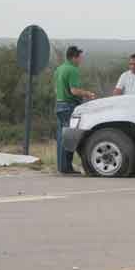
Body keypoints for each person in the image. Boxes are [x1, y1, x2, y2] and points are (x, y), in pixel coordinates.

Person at [54, 46, 96, 174]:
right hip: (69, 106)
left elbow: (56, 89)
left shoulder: (59, 69)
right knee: (70, 137)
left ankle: (62, 167)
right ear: (74, 57)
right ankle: (66, 168)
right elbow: (74, 90)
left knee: (62, 136)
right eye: (79, 58)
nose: (80, 60)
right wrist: (88, 94)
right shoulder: (73, 70)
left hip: (59, 104)